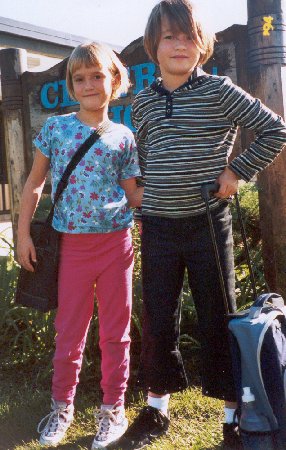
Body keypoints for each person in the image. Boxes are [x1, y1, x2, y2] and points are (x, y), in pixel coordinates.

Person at [113, 1, 286, 449]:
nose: (179, 45)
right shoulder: (145, 101)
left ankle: (232, 416)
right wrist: (139, 204)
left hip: (209, 224)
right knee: (158, 319)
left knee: (217, 317)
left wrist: (236, 173)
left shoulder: (220, 90)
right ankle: (156, 410)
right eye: (169, 37)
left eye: (188, 36)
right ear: (154, 45)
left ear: (202, 45)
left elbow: (275, 131)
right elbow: (146, 159)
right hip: (157, 227)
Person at [16, 42, 143, 449]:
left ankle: (113, 410)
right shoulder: (56, 128)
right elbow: (35, 183)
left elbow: (136, 195)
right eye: (80, 78)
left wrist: (188, 191)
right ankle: (61, 408)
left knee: (115, 333)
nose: (89, 84)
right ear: (71, 85)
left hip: (116, 247)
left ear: (115, 81)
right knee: (68, 331)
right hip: (69, 247)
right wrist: (21, 235)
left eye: (97, 75)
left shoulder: (124, 137)